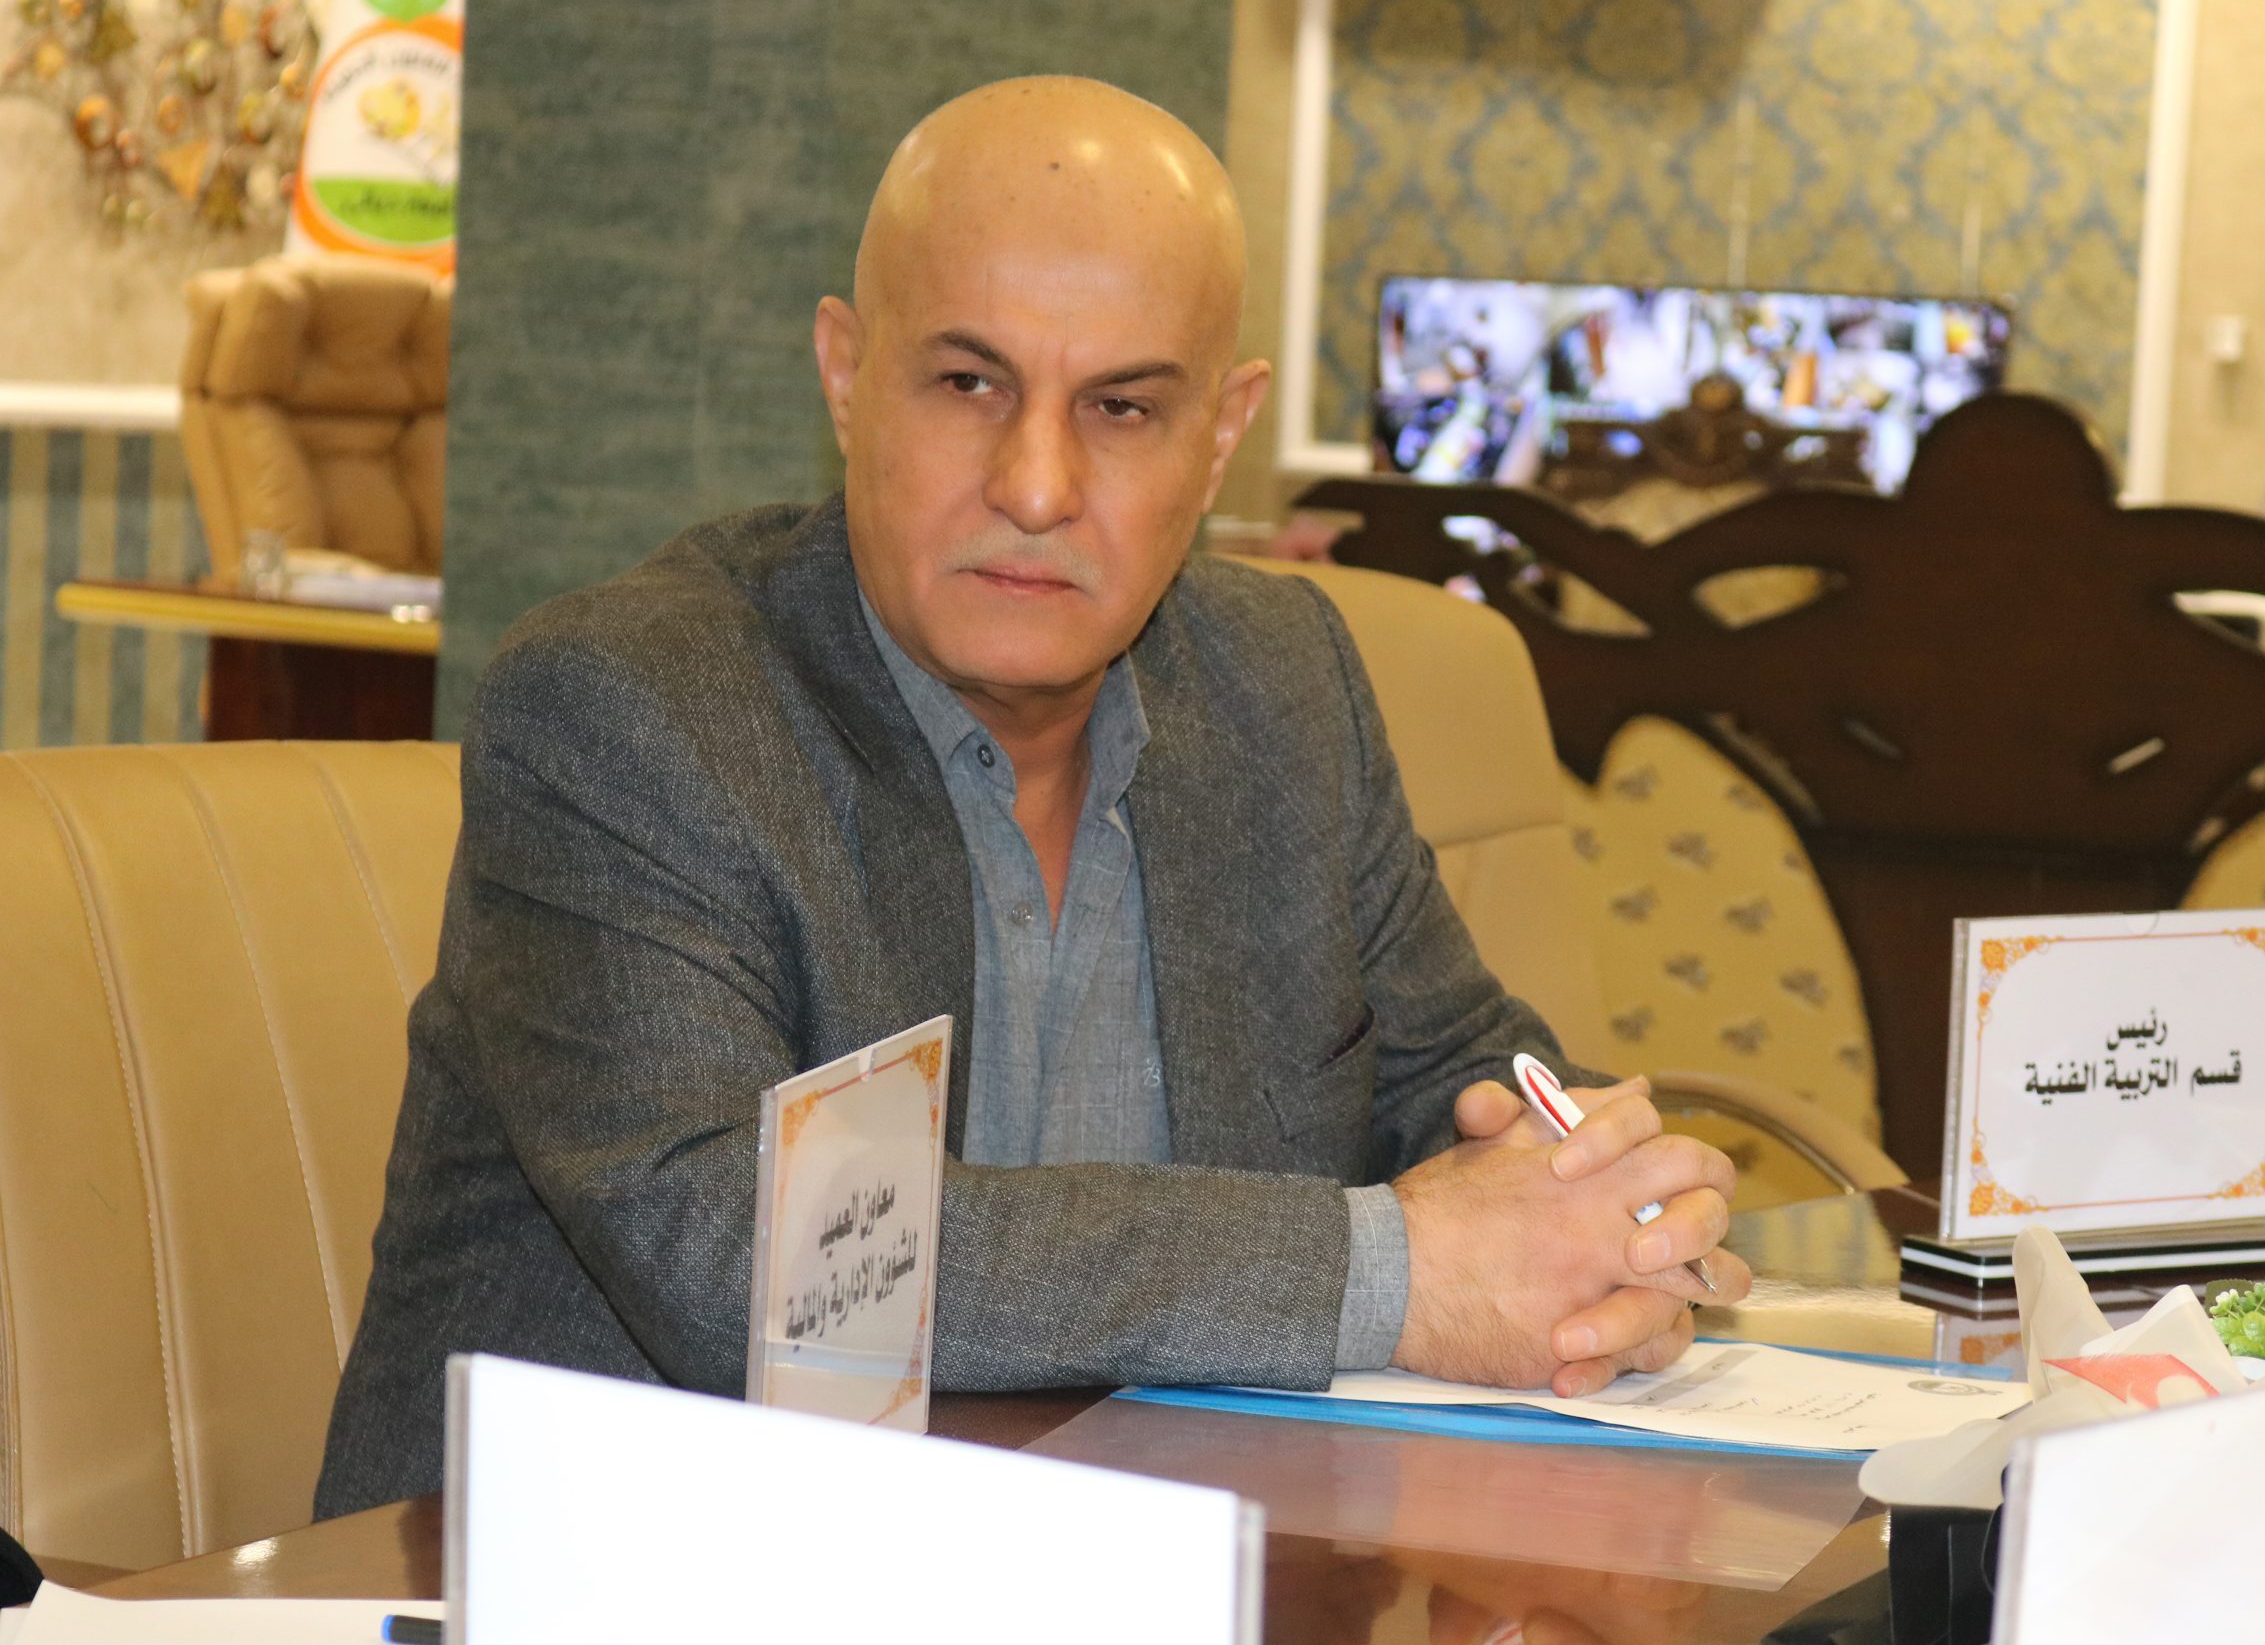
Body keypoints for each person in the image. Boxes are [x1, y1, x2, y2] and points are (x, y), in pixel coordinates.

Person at [315, 76, 1747, 1517]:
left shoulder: (1282, 685)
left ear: (1222, 433)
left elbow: (1468, 1080)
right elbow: (771, 1274)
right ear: (845, 375)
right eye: (969, 384)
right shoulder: (635, 708)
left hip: (1153, 1564)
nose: (1038, 484)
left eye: (1122, 407)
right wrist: (1392, 1273)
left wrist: (1608, 1216)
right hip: (629, 1570)